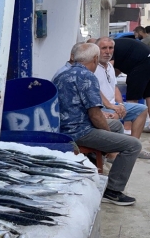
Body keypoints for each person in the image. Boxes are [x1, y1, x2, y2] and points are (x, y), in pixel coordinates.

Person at [54, 43, 142, 205]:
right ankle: (113, 191)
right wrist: (107, 137)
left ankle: (103, 160)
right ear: (95, 59)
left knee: (116, 125)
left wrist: (107, 125)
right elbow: (95, 116)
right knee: (133, 145)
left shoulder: (62, 73)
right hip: (78, 131)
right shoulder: (87, 76)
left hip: (62, 126)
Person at [93, 46, 150, 159]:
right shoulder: (93, 68)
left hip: (112, 105)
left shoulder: (110, 66)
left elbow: (115, 88)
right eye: (103, 48)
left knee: (141, 109)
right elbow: (96, 92)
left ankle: (133, 147)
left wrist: (120, 105)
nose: (107, 51)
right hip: (101, 106)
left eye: (110, 48)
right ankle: (112, 153)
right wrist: (112, 107)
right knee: (114, 117)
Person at [96, 37, 150, 133]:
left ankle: (127, 128)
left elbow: (109, 69)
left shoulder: (108, 53)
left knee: (132, 97)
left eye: (110, 48)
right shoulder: (115, 44)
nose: (107, 51)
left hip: (141, 63)